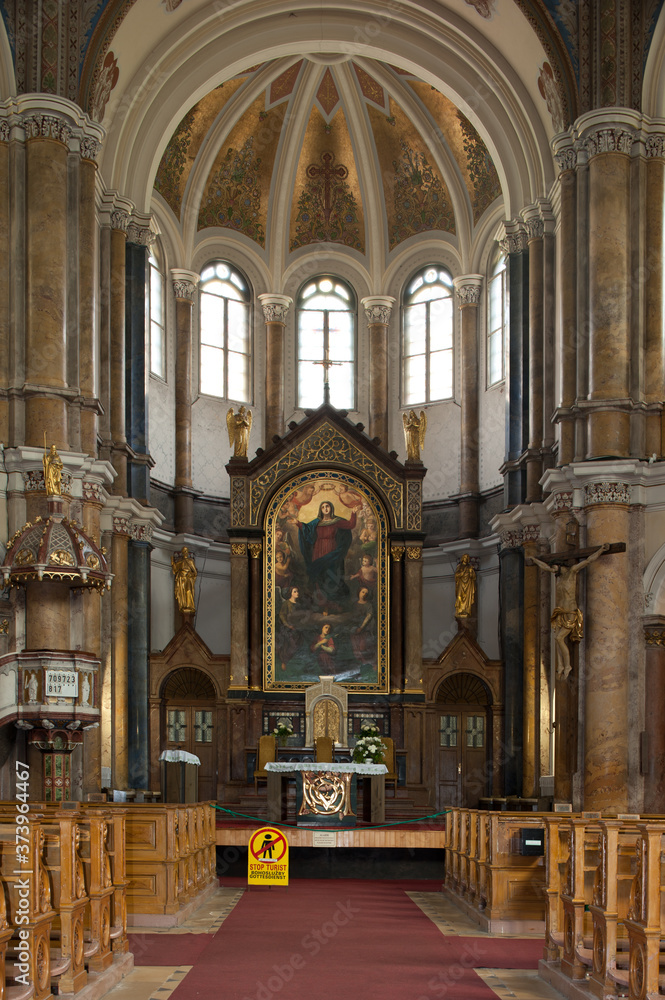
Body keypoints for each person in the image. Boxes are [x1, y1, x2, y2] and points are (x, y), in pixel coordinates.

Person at [525, 543, 610, 679]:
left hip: (570, 611)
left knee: (559, 638)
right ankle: (560, 665)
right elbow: (545, 567)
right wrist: (535, 560)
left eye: (554, 568)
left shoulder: (572, 572)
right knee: (557, 638)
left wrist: (601, 550)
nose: (553, 571)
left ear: (560, 565)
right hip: (560, 612)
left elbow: (589, 560)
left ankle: (568, 665)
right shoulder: (559, 577)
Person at [296, 500, 356, 607]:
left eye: (327, 506)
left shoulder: (336, 521)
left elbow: (350, 524)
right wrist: (298, 523)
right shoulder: (316, 522)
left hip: (331, 550)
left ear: (331, 508)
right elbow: (306, 529)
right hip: (318, 550)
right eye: (323, 507)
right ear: (321, 510)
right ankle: (320, 603)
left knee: (331, 574)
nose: (325, 509)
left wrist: (354, 513)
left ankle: (333, 601)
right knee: (319, 575)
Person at [277, 585, 303, 670]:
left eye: (297, 591)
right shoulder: (286, 603)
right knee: (290, 645)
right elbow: (282, 615)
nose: (297, 593)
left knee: (298, 644)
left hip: (297, 628)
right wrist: (288, 625)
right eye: (295, 591)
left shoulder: (299, 604)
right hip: (288, 628)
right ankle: (284, 662)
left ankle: (295, 663)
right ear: (291, 593)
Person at [171, 546, 197, 613]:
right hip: (181, 579)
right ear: (182, 553)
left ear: (188, 552)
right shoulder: (180, 562)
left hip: (188, 579)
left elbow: (195, 572)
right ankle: (183, 606)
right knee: (182, 593)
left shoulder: (190, 561)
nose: (185, 553)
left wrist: (190, 574)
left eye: (186, 551)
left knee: (188, 591)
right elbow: (175, 569)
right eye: (183, 551)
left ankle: (189, 606)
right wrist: (172, 561)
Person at [455, 554, 476, 618]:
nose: (466, 559)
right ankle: (460, 610)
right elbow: (456, 575)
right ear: (462, 558)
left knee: (468, 598)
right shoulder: (459, 566)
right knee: (459, 596)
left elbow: (473, 577)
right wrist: (463, 573)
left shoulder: (470, 567)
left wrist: (471, 572)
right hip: (461, 584)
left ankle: (467, 610)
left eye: (467, 558)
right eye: (465, 557)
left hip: (468, 585)